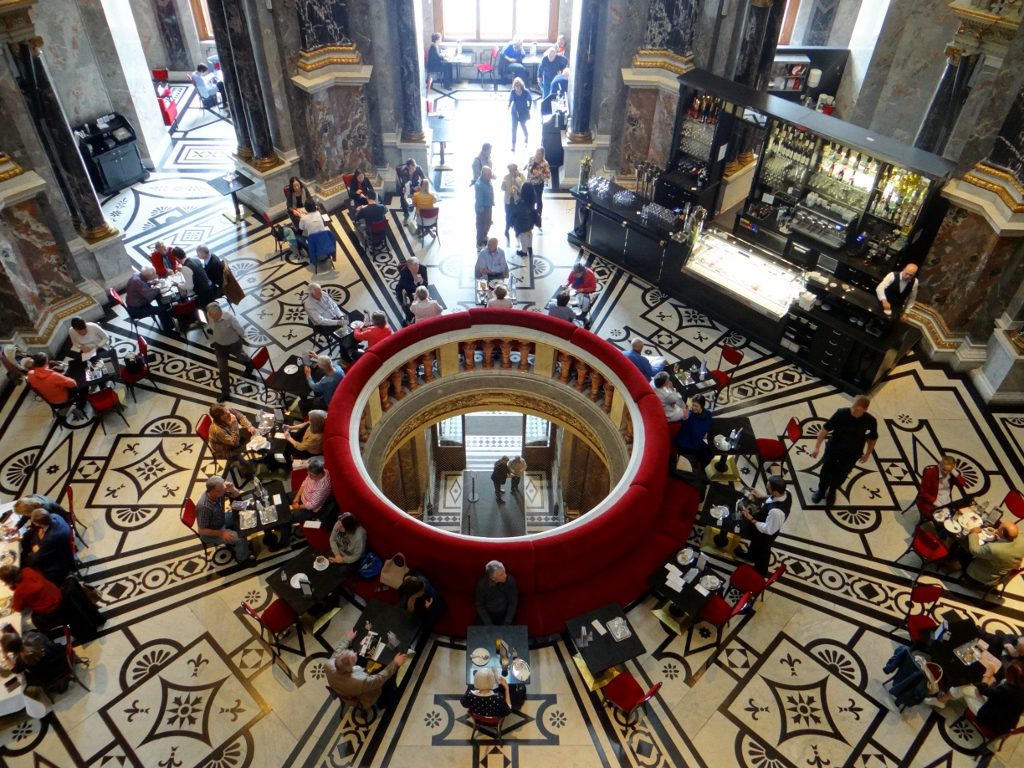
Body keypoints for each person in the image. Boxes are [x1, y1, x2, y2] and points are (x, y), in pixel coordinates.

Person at [810, 396, 878, 510]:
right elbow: (825, 429)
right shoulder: (841, 413)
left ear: (865, 410)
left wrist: (867, 454)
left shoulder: (870, 421)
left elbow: (873, 438)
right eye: (853, 408)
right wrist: (817, 447)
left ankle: (832, 491)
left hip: (852, 454)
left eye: (857, 410)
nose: (853, 411)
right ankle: (821, 490)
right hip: (834, 449)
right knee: (826, 470)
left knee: (842, 474)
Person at [927, 659, 1024, 736]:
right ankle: (942, 700)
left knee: (965, 688)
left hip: (991, 720)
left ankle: (940, 701)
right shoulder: (1019, 687)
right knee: (972, 686)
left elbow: (983, 689)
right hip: (1004, 720)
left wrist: (987, 674)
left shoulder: (1007, 691)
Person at [324, 628, 407, 709]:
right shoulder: (359, 681)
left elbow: (337, 652)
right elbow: (379, 679)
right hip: (364, 698)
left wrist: (348, 639)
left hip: (343, 689)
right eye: (354, 658)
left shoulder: (329, 664)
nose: (355, 653)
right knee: (388, 675)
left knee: (361, 657)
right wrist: (395, 663)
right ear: (350, 669)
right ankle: (384, 702)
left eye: (351, 652)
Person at [736, 475, 792, 577]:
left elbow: (768, 529)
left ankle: (759, 573)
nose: (767, 489)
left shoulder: (776, 512)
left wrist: (751, 519)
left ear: (775, 491)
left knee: (763, 552)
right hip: (765, 523)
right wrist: (762, 496)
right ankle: (750, 556)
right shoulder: (787, 492)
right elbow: (773, 498)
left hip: (766, 534)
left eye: (768, 488)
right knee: (755, 542)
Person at [194, 475, 252, 562]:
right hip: (212, 532)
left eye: (224, 487)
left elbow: (236, 495)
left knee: (243, 513)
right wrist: (221, 533)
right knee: (240, 537)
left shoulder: (220, 490)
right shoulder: (204, 507)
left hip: (221, 518)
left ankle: (242, 545)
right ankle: (243, 558)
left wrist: (232, 489)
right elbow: (202, 530)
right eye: (222, 490)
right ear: (213, 491)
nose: (225, 490)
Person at [207, 302, 255, 402]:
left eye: (215, 315)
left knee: (241, 357)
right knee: (222, 369)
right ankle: (225, 392)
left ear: (220, 311)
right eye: (211, 316)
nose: (213, 318)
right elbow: (212, 327)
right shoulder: (210, 315)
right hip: (219, 346)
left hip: (233, 344)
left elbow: (240, 330)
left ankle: (249, 365)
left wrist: (241, 339)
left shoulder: (229, 318)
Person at [19, 509, 75, 587]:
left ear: (39, 524)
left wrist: (36, 547)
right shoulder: (55, 516)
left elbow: (36, 558)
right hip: (62, 546)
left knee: (25, 564)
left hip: (58, 560)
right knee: (27, 539)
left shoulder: (49, 538)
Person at [0, 625, 67, 690]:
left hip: (49, 675)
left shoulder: (21, 660)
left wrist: (5, 655)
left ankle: (56, 684)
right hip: (61, 662)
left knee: (25, 680)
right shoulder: (32, 640)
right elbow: (59, 647)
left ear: (10, 651)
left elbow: (14, 670)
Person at [963, 520, 1024, 587]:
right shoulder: (1022, 539)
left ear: (1002, 532)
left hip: (984, 576)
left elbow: (974, 550)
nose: (997, 529)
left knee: (963, 550)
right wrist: (997, 534)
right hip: (1002, 569)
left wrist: (973, 533)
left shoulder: (993, 549)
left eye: (999, 528)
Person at [206, 404, 255, 477]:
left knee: (255, 439)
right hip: (225, 450)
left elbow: (240, 416)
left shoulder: (227, 410)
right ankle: (247, 473)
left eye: (226, 410)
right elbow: (234, 443)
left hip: (233, 437)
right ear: (220, 417)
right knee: (247, 466)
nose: (228, 412)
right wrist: (234, 424)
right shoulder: (218, 430)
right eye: (225, 412)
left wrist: (249, 426)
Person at [125, 266, 176, 333]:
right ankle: (169, 329)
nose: (156, 275)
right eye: (154, 275)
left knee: (158, 296)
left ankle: (166, 312)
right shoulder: (137, 282)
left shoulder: (137, 274)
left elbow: (143, 286)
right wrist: (158, 287)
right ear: (148, 276)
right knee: (161, 309)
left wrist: (151, 283)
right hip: (137, 309)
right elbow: (150, 296)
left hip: (135, 302)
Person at [289, 456, 334, 524]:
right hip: (304, 495)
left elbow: (312, 505)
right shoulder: (316, 472)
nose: (309, 476)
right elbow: (305, 482)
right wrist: (297, 496)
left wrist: (298, 507)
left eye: (311, 475)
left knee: (289, 517)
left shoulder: (322, 487)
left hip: (310, 509)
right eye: (308, 474)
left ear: (320, 474)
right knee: (284, 497)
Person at [672, 393, 712, 467]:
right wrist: (685, 418)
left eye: (696, 406)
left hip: (699, 443)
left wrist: (707, 432)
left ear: (702, 406)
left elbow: (709, 424)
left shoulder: (708, 414)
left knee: (709, 456)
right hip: (686, 445)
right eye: (693, 405)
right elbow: (683, 420)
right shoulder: (690, 414)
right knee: (688, 467)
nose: (693, 408)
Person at [475, 560, 518, 625]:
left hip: (505, 613)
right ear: (492, 578)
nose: (505, 576)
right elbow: (479, 605)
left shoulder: (510, 580)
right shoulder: (482, 585)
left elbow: (513, 602)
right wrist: (488, 623)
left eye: (504, 572)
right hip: (488, 614)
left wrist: (507, 621)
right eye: (501, 575)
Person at [396, 257, 429, 324]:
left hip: (421, 289)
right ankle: (411, 317)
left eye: (417, 268)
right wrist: (414, 283)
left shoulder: (422, 268)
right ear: (408, 268)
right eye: (413, 269)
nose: (416, 270)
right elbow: (405, 286)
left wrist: (422, 280)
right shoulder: (404, 272)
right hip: (411, 291)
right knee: (412, 306)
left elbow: (426, 283)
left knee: (426, 303)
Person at [525, 148, 551, 230]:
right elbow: (529, 166)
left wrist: (540, 173)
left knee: (538, 200)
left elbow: (548, 176)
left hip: (538, 185)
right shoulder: (531, 158)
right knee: (529, 200)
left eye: (539, 153)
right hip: (529, 183)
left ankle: (538, 217)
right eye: (536, 153)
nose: (537, 155)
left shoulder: (545, 163)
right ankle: (529, 216)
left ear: (542, 155)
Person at [512, 181, 537, 258]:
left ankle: (523, 252)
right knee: (529, 233)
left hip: (522, 223)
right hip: (530, 221)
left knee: (523, 236)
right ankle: (530, 247)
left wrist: (515, 194)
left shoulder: (521, 202)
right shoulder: (532, 198)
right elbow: (524, 196)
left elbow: (517, 209)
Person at [508, 77, 532, 152]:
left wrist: (529, 107)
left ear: (521, 86)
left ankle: (526, 136)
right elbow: (511, 99)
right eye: (516, 86)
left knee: (522, 125)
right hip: (515, 112)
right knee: (514, 129)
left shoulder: (526, 92)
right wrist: (508, 105)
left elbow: (530, 99)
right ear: (514, 86)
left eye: (518, 86)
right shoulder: (512, 92)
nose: (517, 88)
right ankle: (513, 145)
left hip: (523, 111)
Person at [500, 163, 524, 240]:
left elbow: (523, 187)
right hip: (508, 200)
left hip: (517, 200)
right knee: (508, 216)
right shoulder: (506, 177)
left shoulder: (521, 176)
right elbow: (502, 188)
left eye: (513, 170)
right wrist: (503, 186)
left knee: (517, 216)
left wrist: (517, 178)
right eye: (510, 170)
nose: (512, 172)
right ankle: (506, 230)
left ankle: (517, 231)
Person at [474, 166, 494, 248]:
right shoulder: (479, 185)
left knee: (488, 223)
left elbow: (490, 190)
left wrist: (492, 201)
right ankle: (479, 243)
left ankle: (484, 236)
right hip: (482, 208)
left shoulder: (487, 180)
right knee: (481, 225)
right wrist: (481, 210)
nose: (491, 176)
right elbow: (479, 199)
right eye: (489, 174)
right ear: (484, 175)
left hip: (488, 206)